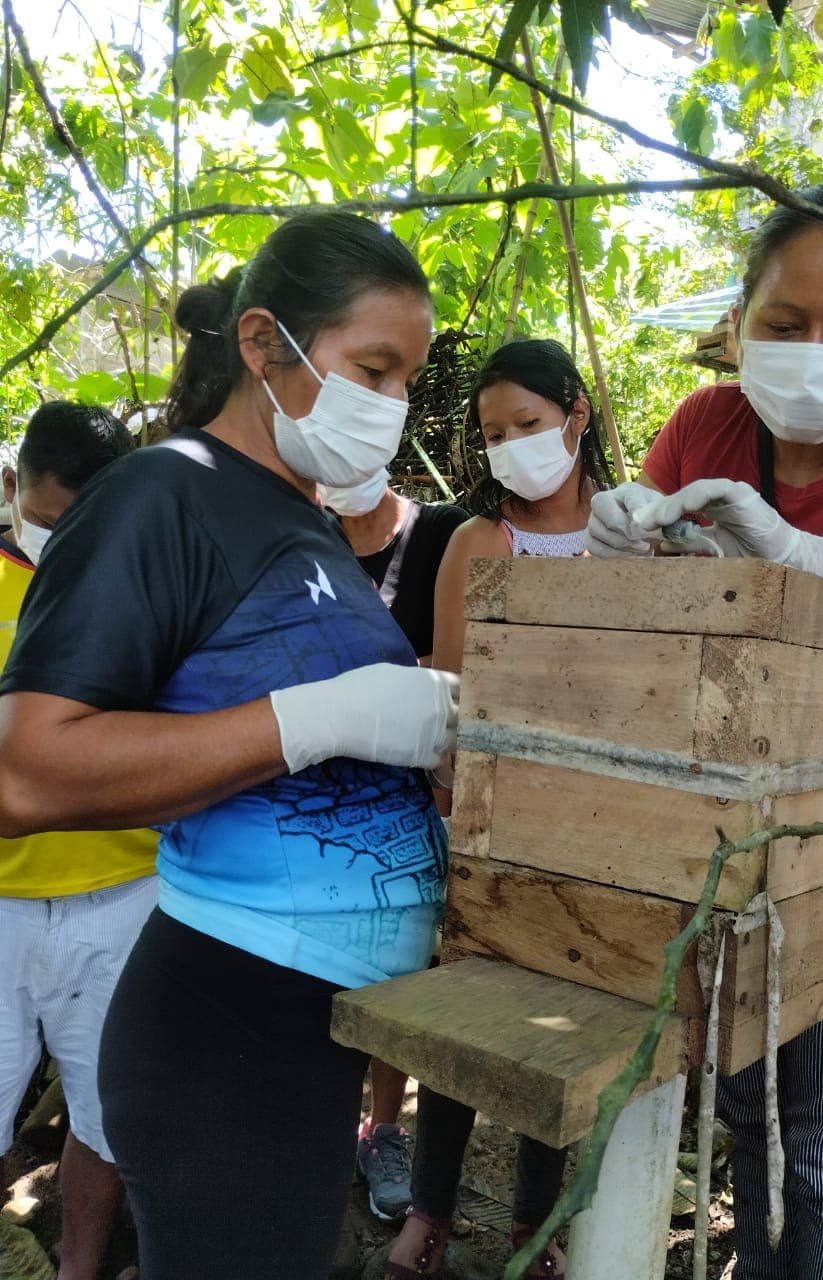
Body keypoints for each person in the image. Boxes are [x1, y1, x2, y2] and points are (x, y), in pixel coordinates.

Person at [0, 210, 459, 1280]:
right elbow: (25, 766)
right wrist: (324, 719)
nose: (390, 407)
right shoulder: (166, 493)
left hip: (306, 1028)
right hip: (222, 1022)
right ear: (264, 346)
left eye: (406, 383)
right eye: (372, 370)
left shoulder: (305, 519)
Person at [585, 181, 823, 1280]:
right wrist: (628, 546)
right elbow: (650, 625)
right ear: (741, 318)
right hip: (734, 831)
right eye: (783, 324)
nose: (811, 351)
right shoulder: (709, 425)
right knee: (756, 1122)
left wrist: (802, 557)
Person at [385, 338, 615, 1280]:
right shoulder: (479, 542)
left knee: (561, 1029)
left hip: (606, 827)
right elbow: (450, 688)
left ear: (577, 415)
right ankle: (429, 1215)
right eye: (493, 433)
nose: (512, 445)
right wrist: (453, 811)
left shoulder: (633, 529)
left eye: (528, 424)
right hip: (491, 817)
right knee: (468, 1015)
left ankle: (536, 1224)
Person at [0, 402, 158, 1280]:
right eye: (48, 519)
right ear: (13, 488)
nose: (62, 541)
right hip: (1, 905)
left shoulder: (146, 591)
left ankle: (78, 1269)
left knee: (103, 1118)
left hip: (126, 894)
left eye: (82, 525)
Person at [326, 470, 469, 1220]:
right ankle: (322, 1133)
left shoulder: (443, 533)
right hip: (324, 798)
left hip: (422, 798)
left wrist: (352, 691)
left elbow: (460, 669)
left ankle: (383, 1128)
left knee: (397, 974)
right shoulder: (304, 541)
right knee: (322, 973)